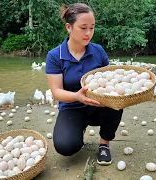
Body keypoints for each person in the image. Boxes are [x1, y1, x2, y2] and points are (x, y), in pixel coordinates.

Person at [45, 3, 123, 165]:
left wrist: (135, 76)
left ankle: (104, 145)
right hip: (72, 107)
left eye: (92, 28)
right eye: (83, 28)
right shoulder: (55, 56)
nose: (89, 33)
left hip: (98, 105)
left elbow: (109, 81)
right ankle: (77, 128)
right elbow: (56, 91)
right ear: (69, 27)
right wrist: (77, 96)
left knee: (116, 100)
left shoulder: (98, 51)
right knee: (65, 147)